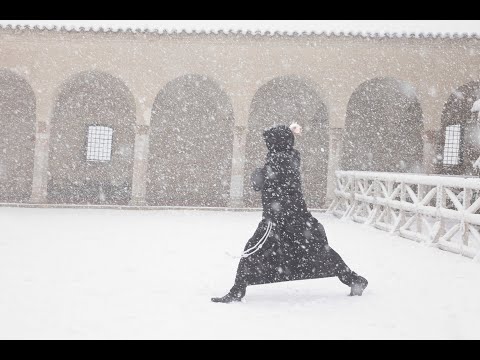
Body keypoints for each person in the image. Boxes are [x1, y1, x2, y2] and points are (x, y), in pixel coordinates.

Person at [211, 123, 368, 303]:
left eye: (269, 141)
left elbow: (265, 185)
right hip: (295, 217)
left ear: (276, 142)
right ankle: (354, 279)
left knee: (251, 250)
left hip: (281, 218)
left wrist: (259, 175)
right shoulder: (287, 157)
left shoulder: (279, 159)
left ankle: (238, 290)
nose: (267, 144)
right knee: (319, 251)